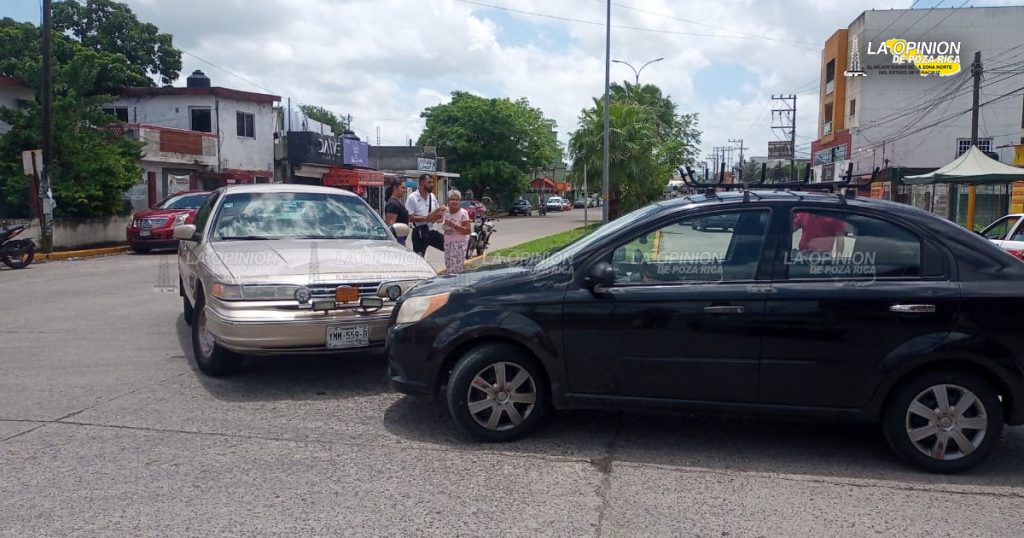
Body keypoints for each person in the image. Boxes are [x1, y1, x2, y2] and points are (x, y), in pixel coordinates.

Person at [405, 174, 444, 256]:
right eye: (429, 182)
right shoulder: (412, 198)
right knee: (419, 258)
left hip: (432, 231)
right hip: (420, 233)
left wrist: (439, 216)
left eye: (432, 182)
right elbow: (409, 217)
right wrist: (426, 218)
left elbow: (438, 214)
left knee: (448, 247)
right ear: (422, 183)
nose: (432, 185)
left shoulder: (432, 196)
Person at [442, 189, 472, 274]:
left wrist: (454, 225)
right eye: (452, 199)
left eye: (457, 200)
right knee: (449, 267)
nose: (455, 201)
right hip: (448, 243)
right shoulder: (446, 212)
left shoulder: (463, 213)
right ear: (448, 201)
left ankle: (456, 286)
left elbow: (468, 231)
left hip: (459, 244)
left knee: (455, 270)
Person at [384, 181, 410, 246]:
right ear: (395, 188)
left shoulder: (397, 202)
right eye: (402, 188)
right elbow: (390, 224)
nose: (404, 190)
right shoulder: (393, 204)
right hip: (397, 239)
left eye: (405, 188)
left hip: (401, 238)